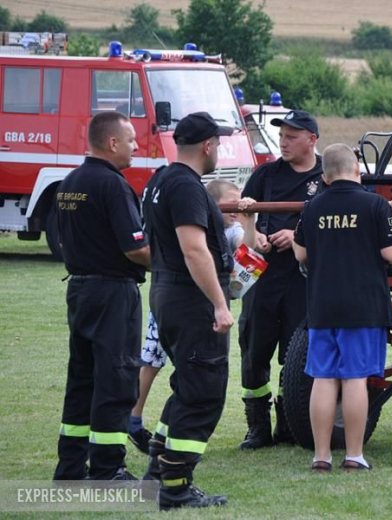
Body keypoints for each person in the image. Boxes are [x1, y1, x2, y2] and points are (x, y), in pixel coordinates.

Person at [292, 144, 392, 471]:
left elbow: (300, 253)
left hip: (322, 305)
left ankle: (321, 456)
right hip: (363, 305)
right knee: (355, 378)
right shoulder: (376, 204)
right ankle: (354, 454)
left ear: (324, 176)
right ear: (358, 171)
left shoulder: (312, 207)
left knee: (323, 378)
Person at [141, 111, 234, 510]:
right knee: (203, 391)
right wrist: (219, 303)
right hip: (191, 298)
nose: (220, 150)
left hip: (166, 290)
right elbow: (194, 248)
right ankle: (175, 485)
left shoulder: (159, 180)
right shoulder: (186, 187)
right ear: (208, 145)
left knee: (187, 383)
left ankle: (157, 472)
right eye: (220, 143)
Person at [53, 110, 151, 481]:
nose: (135, 146)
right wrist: (174, 264)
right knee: (116, 377)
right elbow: (135, 249)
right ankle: (108, 467)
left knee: (82, 378)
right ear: (112, 143)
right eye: (130, 140)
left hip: (80, 290)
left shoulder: (69, 182)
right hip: (113, 292)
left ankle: (70, 466)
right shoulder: (113, 185)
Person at [128, 179, 254, 455]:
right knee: (152, 360)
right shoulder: (193, 225)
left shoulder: (230, 230)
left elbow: (249, 244)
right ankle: (133, 419)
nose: (235, 209)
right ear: (212, 205)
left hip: (198, 308)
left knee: (187, 371)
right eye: (231, 203)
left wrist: (249, 217)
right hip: (176, 303)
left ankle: (155, 432)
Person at [238, 110, 323, 449]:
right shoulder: (266, 175)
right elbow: (245, 215)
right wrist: (255, 233)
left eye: (291, 136)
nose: (282, 142)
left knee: (296, 353)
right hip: (263, 277)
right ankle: (257, 426)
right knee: (254, 351)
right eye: (281, 135)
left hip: (303, 279)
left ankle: (289, 424)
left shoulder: (326, 178)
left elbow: (336, 224)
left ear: (311, 140)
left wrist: (297, 234)